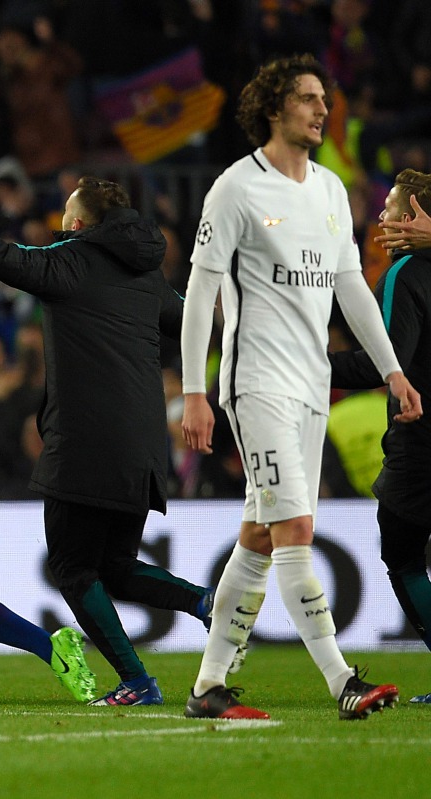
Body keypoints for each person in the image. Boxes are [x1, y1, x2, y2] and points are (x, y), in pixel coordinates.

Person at [0, 165, 214, 707]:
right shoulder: (149, 276)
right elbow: (200, 323)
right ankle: (207, 601)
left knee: (71, 567)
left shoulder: (67, 262)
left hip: (86, 442)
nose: (58, 218)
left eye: (65, 211)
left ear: (80, 220)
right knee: (114, 567)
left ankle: (137, 680)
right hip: (144, 444)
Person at [179, 54, 420, 721]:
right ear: (275, 107)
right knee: (295, 526)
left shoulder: (330, 190)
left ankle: (208, 686)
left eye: (324, 99)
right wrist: (196, 392)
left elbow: (350, 289)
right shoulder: (236, 188)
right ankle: (342, 679)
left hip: (312, 384)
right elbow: (200, 287)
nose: (323, 110)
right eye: (310, 99)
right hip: (255, 381)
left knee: (259, 534)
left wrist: (392, 367)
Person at [328, 168, 431, 704]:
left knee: (403, 549)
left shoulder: (405, 273)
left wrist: (309, 366)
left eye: (391, 209)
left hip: (422, 435)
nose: (381, 219)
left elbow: (383, 362)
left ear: (415, 216)